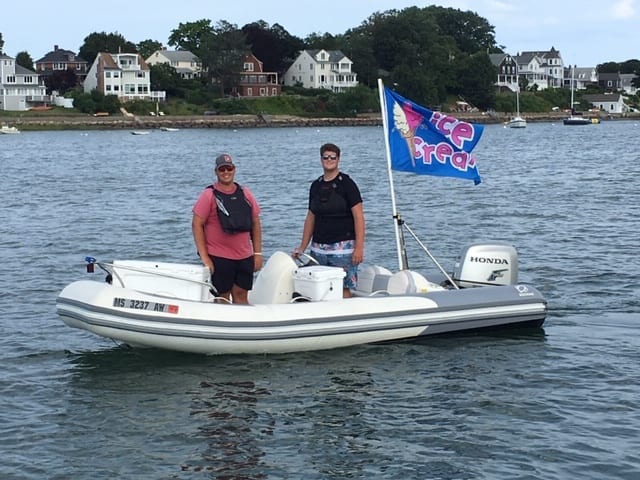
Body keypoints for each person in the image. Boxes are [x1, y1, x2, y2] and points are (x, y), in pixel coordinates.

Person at [293, 143, 365, 298]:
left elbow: (359, 217)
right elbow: (311, 217)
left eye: (333, 157)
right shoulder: (315, 186)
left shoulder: (347, 184)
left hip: (343, 249)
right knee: (318, 289)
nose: (329, 160)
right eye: (326, 157)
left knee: (343, 289)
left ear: (338, 159)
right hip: (318, 248)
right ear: (321, 159)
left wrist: (359, 247)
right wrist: (302, 247)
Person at [192, 153, 263, 304]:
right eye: (222, 169)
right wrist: (205, 257)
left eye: (229, 168)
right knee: (222, 296)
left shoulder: (246, 194)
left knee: (241, 294)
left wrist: (257, 254)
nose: (226, 172)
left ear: (234, 169)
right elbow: (196, 224)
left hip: (244, 256)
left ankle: (245, 326)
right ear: (216, 172)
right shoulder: (208, 195)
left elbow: (256, 223)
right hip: (220, 257)